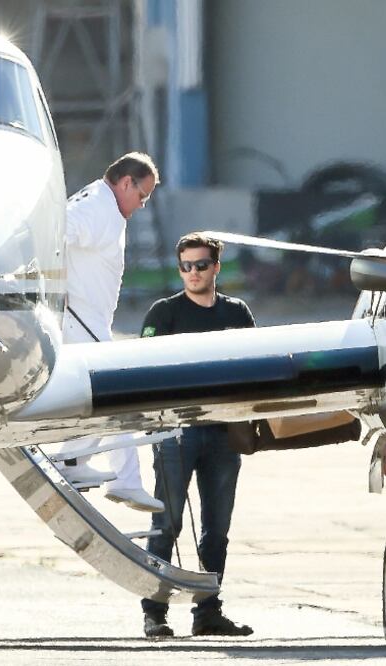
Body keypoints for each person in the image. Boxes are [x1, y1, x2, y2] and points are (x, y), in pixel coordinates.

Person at [139, 232, 256, 638]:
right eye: (185, 266)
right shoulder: (164, 313)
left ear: (216, 267)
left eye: (201, 265)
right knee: (167, 523)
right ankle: (155, 610)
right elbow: (142, 365)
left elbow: (255, 367)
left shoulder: (237, 312)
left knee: (217, 530)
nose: (193, 273)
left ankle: (208, 611)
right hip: (177, 432)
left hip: (224, 433)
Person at [56, 152, 165, 513]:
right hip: (80, 319)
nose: (142, 204)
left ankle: (78, 464)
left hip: (89, 319)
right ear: (125, 183)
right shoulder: (98, 208)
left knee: (107, 401)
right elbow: (54, 232)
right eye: (142, 195)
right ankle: (120, 479)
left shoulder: (103, 204)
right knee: (118, 397)